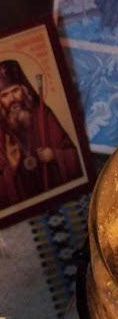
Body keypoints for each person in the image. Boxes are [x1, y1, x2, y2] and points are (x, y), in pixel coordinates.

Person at [0, 61, 82, 209]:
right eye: (5, 95)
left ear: (24, 90)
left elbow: (74, 156)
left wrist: (55, 155)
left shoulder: (43, 114)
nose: (12, 99)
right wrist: (11, 168)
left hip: (58, 194)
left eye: (15, 90)